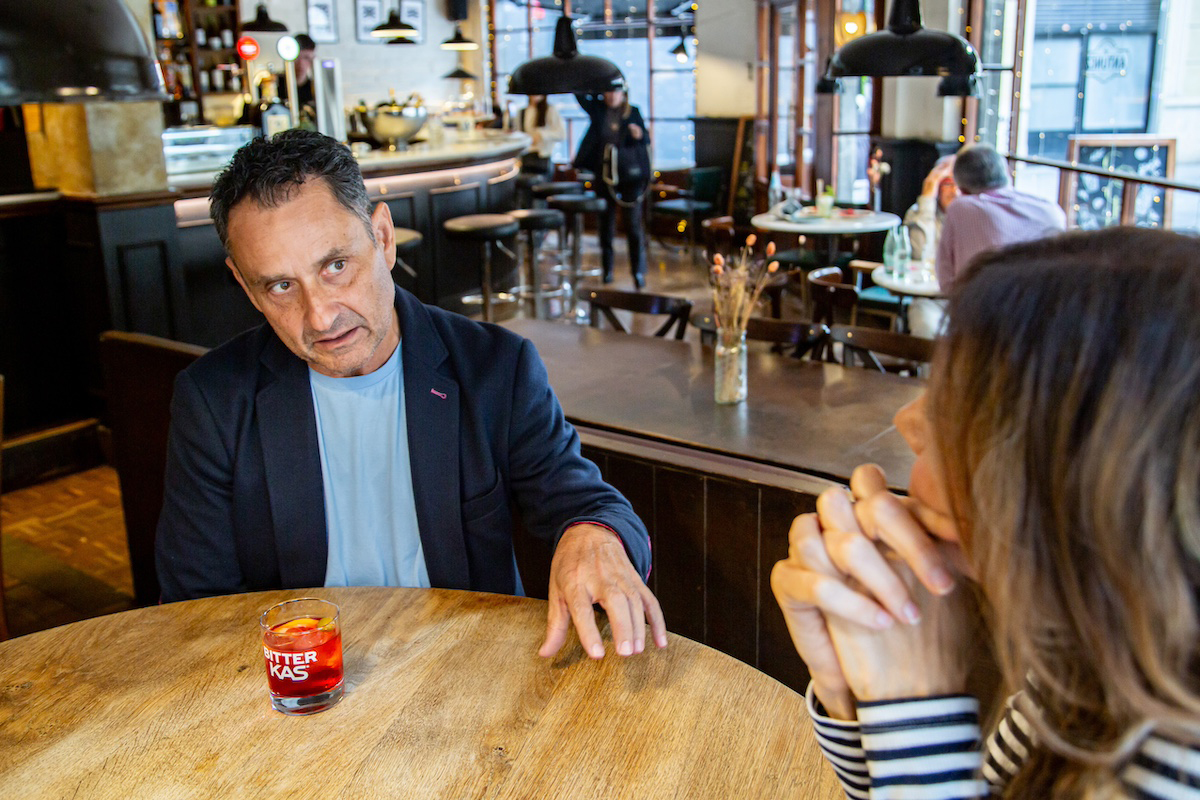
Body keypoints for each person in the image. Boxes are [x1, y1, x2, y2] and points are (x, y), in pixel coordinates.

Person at [156, 130, 667, 662]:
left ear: (382, 236)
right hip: (306, 691)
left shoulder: (496, 368)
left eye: (336, 266)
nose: (321, 316)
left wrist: (593, 534)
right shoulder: (213, 400)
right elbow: (198, 609)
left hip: (466, 673)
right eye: (281, 286)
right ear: (244, 285)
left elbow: (590, 503)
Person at [772, 227, 1200, 796]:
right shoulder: (1083, 668)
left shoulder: (1173, 765)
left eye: (961, 408)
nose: (908, 422)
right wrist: (849, 692)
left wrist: (916, 706)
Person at [935, 144, 1065, 292]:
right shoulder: (1050, 209)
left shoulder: (961, 208)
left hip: (984, 308)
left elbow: (946, 281)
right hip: (1045, 308)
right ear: (1006, 174)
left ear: (962, 188)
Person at [574, 79, 651, 289]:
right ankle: (607, 270)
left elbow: (645, 141)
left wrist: (639, 134)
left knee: (633, 226)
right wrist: (594, 84)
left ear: (624, 94)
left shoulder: (633, 112)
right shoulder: (598, 109)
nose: (611, 96)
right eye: (607, 92)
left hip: (629, 177)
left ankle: (637, 271)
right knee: (605, 226)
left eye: (615, 92)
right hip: (605, 175)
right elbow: (580, 96)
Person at [904, 155, 958, 263]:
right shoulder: (918, 213)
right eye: (948, 184)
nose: (955, 191)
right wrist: (927, 198)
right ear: (936, 186)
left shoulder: (974, 218)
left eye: (960, 184)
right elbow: (920, 256)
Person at [517, 95, 565, 182]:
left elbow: (561, 134)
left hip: (543, 157)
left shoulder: (550, 109)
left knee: (542, 188)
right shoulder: (523, 111)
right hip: (526, 157)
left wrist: (541, 135)